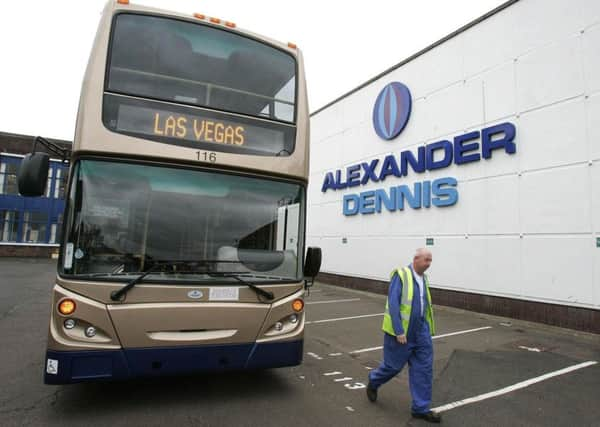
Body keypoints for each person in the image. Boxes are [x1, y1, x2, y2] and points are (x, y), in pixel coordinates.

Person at [366, 248, 441, 423]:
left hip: (421, 332)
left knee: (424, 370)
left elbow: (424, 306)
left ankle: (420, 408)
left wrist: (427, 329)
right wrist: (399, 330)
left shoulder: (424, 279)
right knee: (392, 367)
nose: (429, 264)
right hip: (401, 333)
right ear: (416, 259)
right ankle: (374, 381)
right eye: (426, 260)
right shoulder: (401, 275)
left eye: (431, 260)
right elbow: (393, 303)